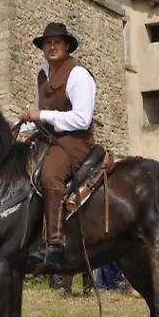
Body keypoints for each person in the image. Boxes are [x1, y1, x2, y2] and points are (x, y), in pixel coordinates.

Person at [20, 22, 97, 268]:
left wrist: (41, 115)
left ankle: (54, 242)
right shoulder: (43, 74)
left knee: (50, 174)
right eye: (48, 43)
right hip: (48, 137)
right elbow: (38, 118)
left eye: (57, 43)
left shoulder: (78, 74)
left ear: (66, 46)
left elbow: (82, 119)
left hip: (76, 139)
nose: (52, 47)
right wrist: (15, 128)